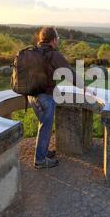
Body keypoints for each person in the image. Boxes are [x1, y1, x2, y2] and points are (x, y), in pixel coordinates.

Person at [30, 26, 92, 169]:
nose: (57, 41)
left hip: (30, 95)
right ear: (53, 40)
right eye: (57, 38)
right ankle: (40, 160)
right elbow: (69, 74)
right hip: (45, 97)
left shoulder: (33, 52)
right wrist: (84, 88)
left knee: (43, 125)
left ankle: (43, 151)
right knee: (45, 127)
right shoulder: (53, 55)